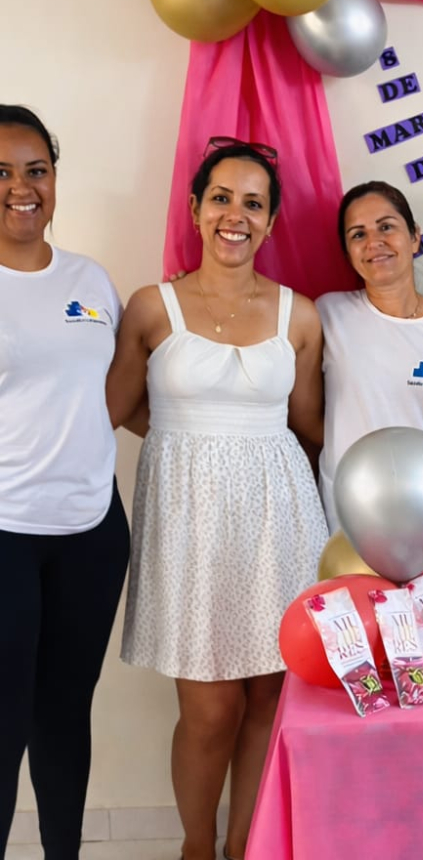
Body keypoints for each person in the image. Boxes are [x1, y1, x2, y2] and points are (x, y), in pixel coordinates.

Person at [107, 138, 328, 860]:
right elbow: (115, 407)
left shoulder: (299, 316)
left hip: (279, 516)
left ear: (271, 221)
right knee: (209, 708)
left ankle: (245, 850)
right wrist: (188, 441)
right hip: (188, 520)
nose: (236, 215)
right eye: (222, 199)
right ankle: (195, 850)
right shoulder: (152, 306)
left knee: (269, 696)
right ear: (197, 208)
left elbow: (311, 426)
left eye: (253, 204)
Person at [0, 106, 129, 860]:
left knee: (63, 715)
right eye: (1, 173)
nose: (21, 188)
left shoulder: (90, 280)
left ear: (54, 176)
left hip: (91, 533)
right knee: (3, 722)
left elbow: (112, 394)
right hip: (6, 534)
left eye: (35, 170)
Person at [316, 181, 423, 559]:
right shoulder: (327, 315)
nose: (373, 242)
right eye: (358, 234)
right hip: (350, 531)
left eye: (386, 227)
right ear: (347, 253)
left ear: (414, 238)